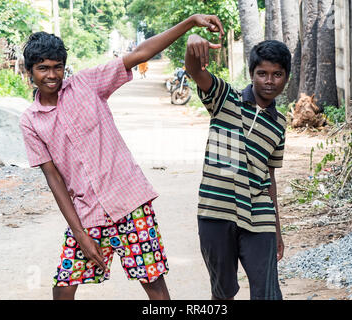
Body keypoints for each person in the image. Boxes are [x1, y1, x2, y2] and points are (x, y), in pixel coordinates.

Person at [19, 15, 224, 300]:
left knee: (154, 286)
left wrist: (190, 23)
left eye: (57, 68)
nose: (51, 75)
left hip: (130, 204)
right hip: (87, 213)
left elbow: (141, 53)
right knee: (63, 287)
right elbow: (53, 176)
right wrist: (79, 234)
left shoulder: (87, 84)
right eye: (42, 69)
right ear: (29, 71)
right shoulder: (30, 121)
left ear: (65, 68)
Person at [185, 34, 291, 300]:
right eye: (262, 73)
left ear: (286, 77)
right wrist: (192, 42)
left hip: (259, 213)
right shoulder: (225, 98)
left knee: (268, 293)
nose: (269, 81)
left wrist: (277, 227)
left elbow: (270, 176)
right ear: (252, 74)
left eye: (277, 74)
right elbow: (194, 70)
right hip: (216, 211)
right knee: (222, 293)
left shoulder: (280, 123)